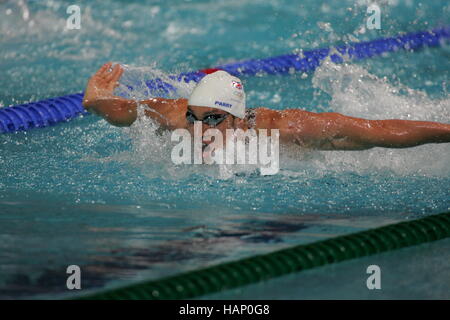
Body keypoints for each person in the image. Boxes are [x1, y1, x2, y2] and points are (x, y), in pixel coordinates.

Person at [83, 62, 450, 151]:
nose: (200, 130)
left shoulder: (287, 130)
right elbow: (127, 112)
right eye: (194, 118)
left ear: (238, 118)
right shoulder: (177, 119)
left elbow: (381, 132)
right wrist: (95, 100)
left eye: (213, 119)